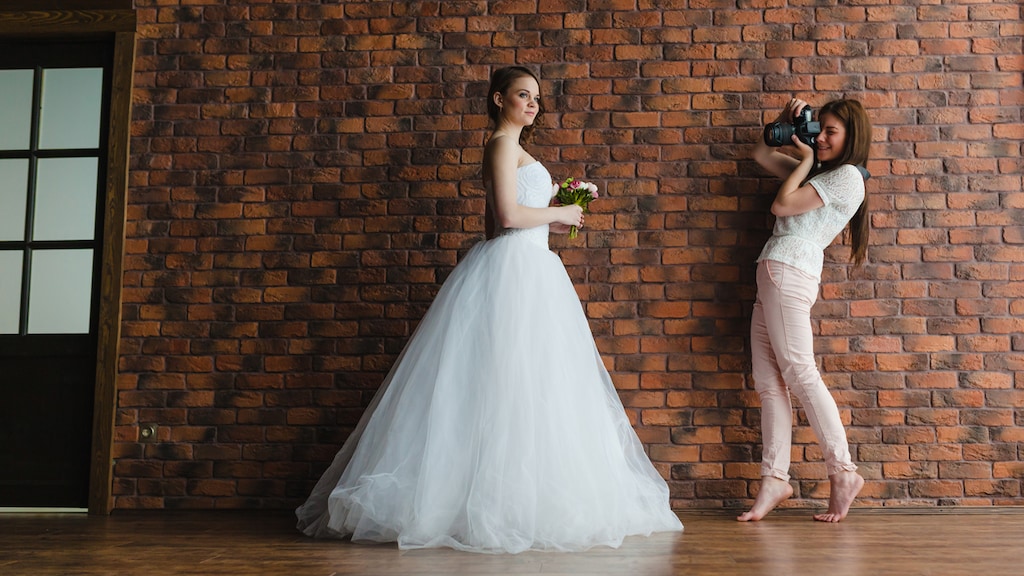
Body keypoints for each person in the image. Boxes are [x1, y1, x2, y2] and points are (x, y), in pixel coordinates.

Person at [296, 66, 682, 553]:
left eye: (537, 97)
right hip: (514, 275)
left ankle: (518, 499)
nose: (533, 104)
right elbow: (507, 216)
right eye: (523, 95)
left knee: (529, 386)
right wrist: (559, 213)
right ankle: (488, 505)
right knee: (504, 384)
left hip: (528, 266)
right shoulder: (501, 145)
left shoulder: (513, 148)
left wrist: (559, 220)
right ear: (499, 99)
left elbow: (504, 225)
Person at [738, 98, 872, 523]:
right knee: (769, 383)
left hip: (789, 271)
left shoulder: (848, 177)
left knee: (799, 372)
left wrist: (807, 157)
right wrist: (787, 127)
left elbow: (783, 206)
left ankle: (844, 470)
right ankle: (775, 479)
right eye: (821, 130)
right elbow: (760, 153)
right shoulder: (817, 173)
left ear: (852, 138)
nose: (823, 138)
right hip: (775, 272)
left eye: (832, 132)